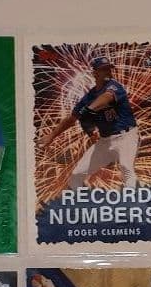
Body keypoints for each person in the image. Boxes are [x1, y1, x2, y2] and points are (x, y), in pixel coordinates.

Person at [39, 57, 140, 189]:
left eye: (109, 69)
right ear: (95, 73)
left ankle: (133, 199)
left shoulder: (114, 86)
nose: (108, 72)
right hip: (105, 141)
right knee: (77, 174)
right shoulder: (89, 97)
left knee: (126, 168)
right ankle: (79, 199)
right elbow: (72, 119)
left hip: (126, 137)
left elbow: (106, 97)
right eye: (103, 69)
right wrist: (52, 136)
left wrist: (88, 109)